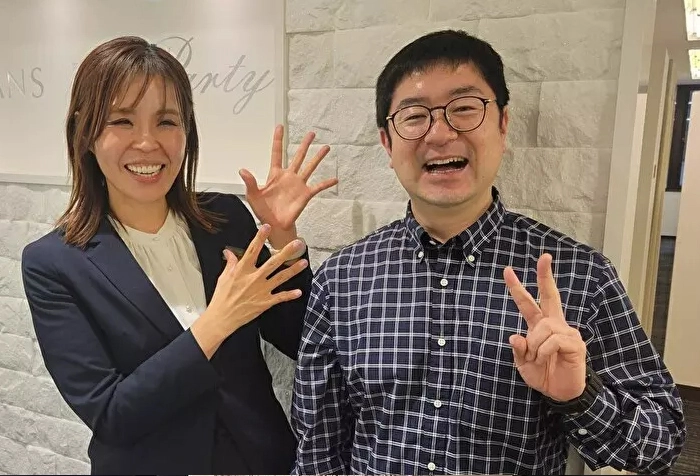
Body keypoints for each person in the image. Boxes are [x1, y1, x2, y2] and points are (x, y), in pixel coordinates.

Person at [291, 29, 686, 475]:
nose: (440, 133)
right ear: (387, 142)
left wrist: (580, 397)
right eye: (414, 116)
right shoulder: (342, 278)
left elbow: (662, 441)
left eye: (463, 108)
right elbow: (317, 450)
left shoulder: (578, 275)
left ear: (502, 124)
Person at [21, 36, 336, 475]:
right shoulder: (54, 263)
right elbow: (111, 414)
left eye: (166, 121)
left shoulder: (225, 219)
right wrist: (216, 322)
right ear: (86, 133)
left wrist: (282, 237)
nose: (147, 142)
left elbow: (302, 339)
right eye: (122, 121)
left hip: (261, 461)